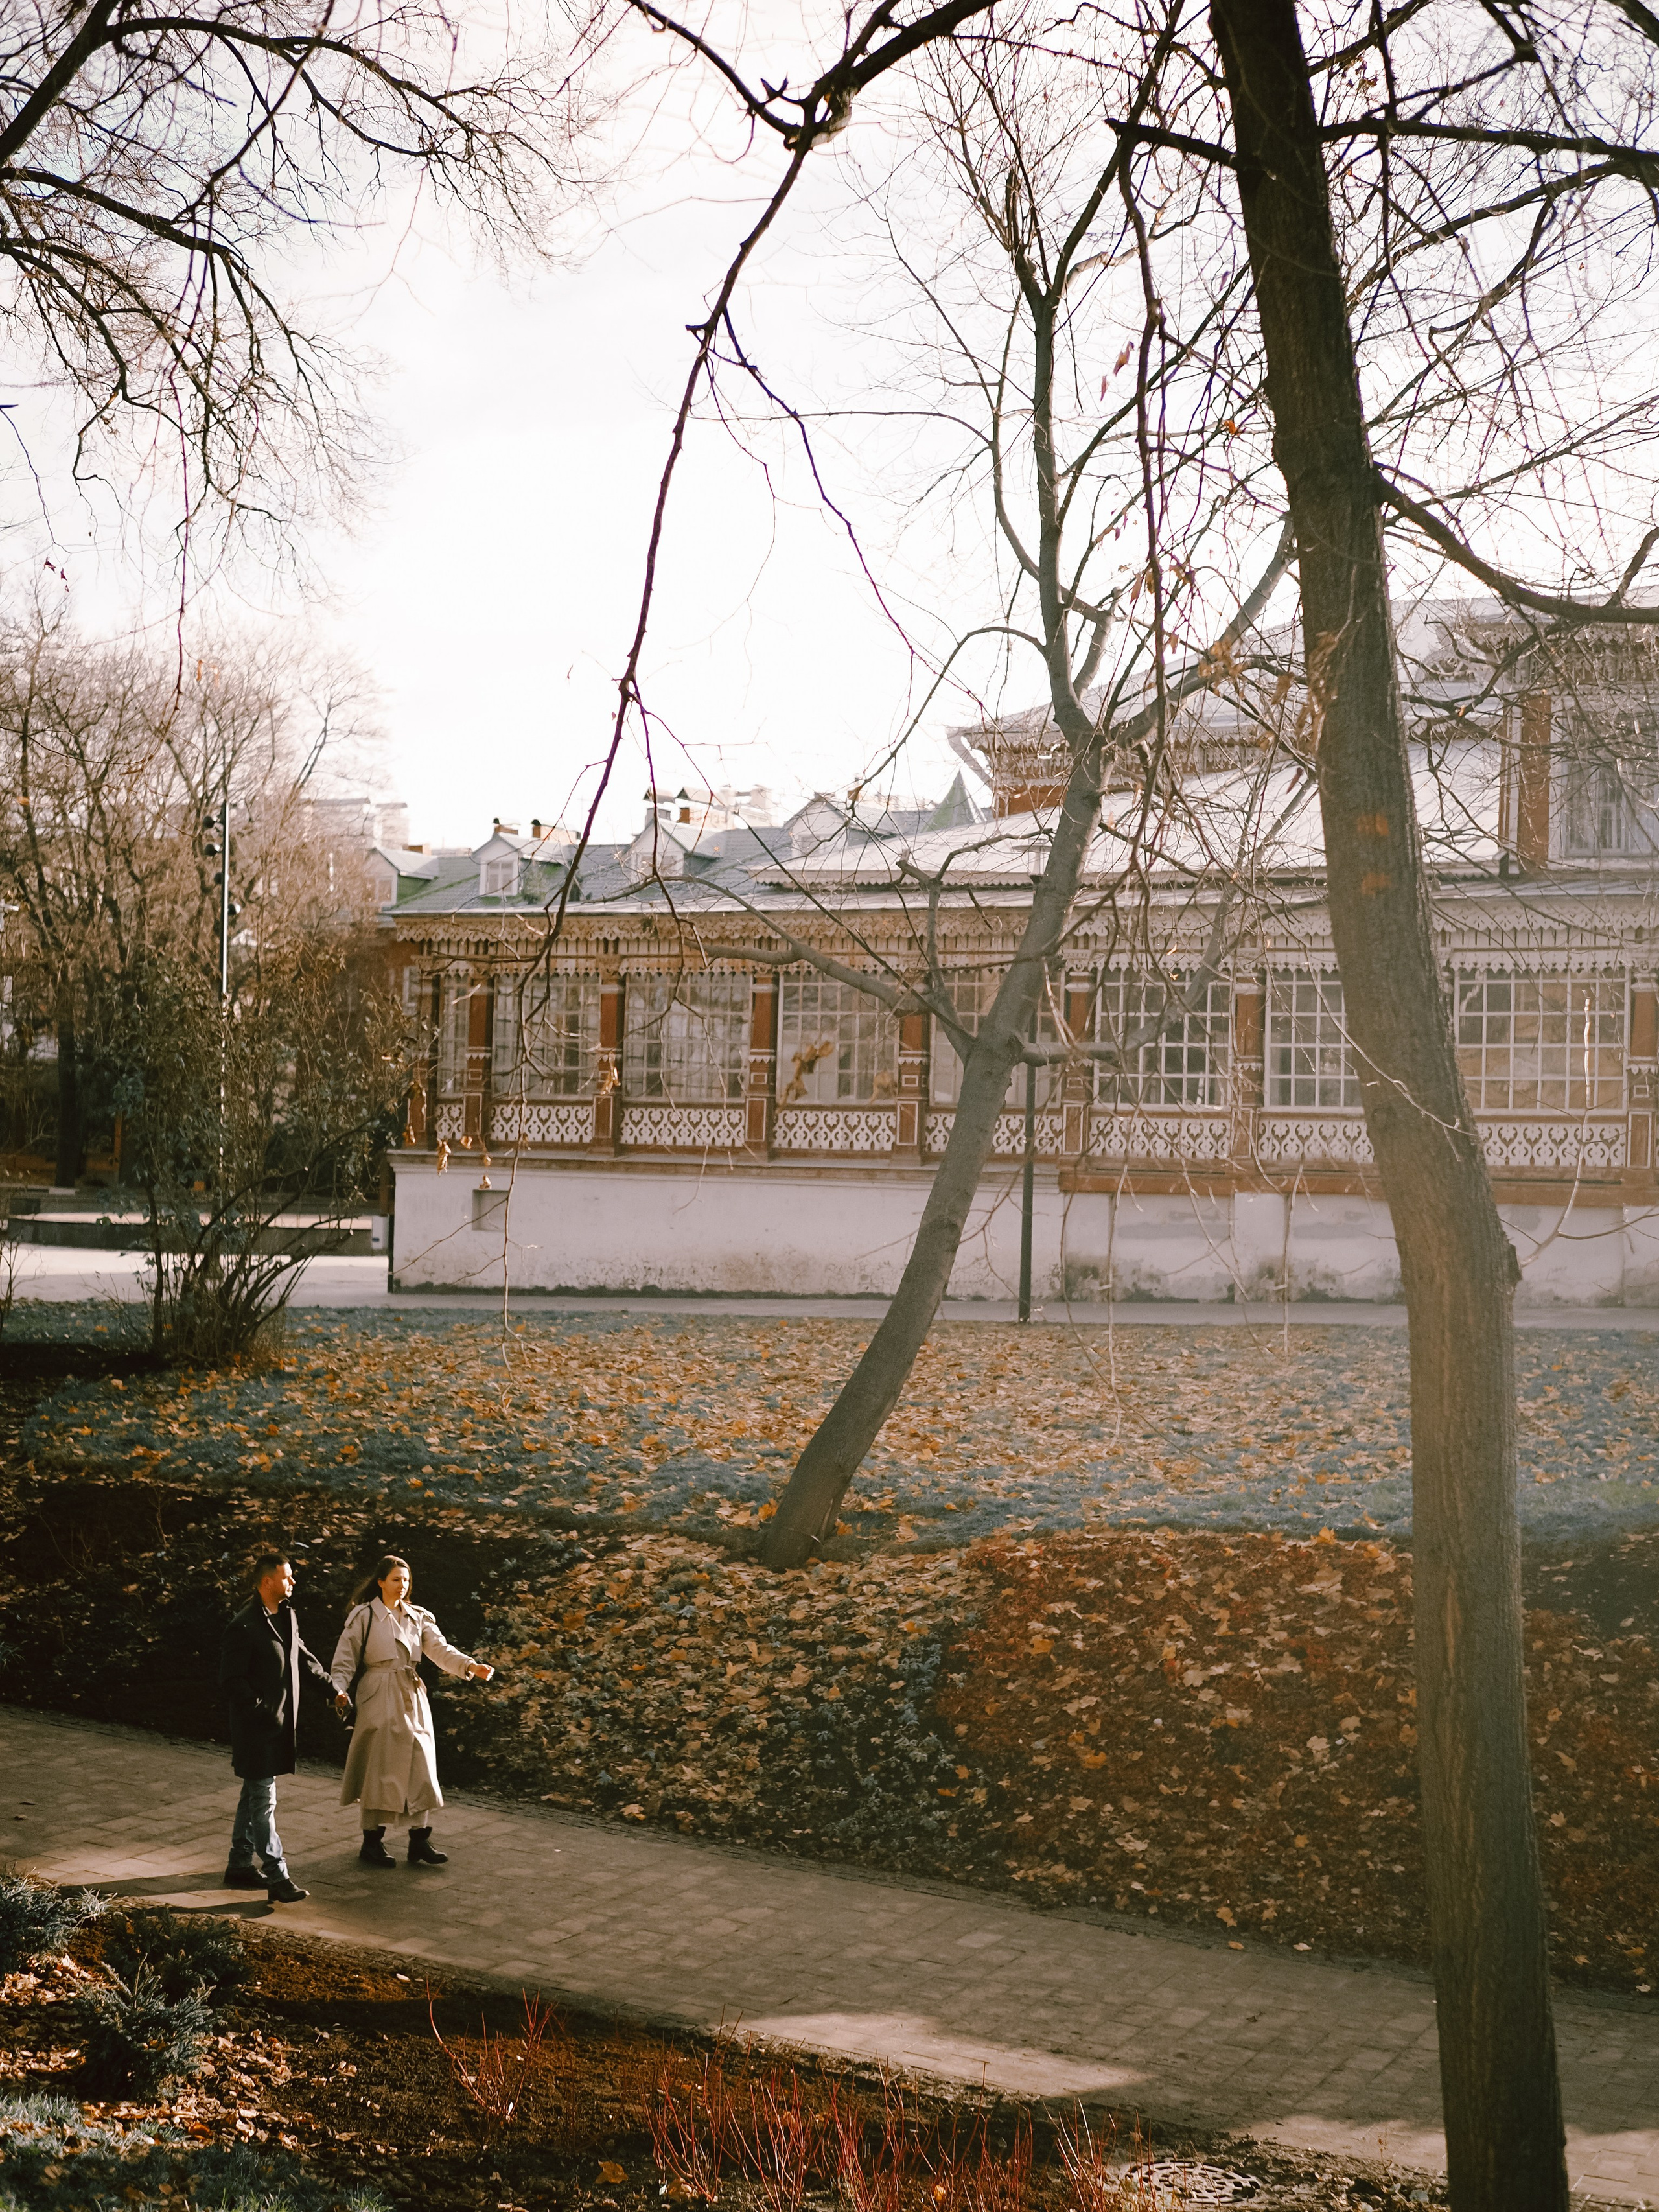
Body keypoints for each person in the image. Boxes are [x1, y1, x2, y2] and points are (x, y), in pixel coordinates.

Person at [329, 1554, 496, 1868]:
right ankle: (372, 1841)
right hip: (377, 1693)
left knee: (421, 1764)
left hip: (411, 1693)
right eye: (396, 1579)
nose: (402, 1585)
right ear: (381, 1582)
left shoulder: (418, 1617)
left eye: (406, 1580)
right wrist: (339, 1689)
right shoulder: (363, 1617)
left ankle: (420, 1840)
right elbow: (345, 1659)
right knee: (378, 1769)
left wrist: (469, 1665)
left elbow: (440, 1650)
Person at [219, 1551, 348, 1903]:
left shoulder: (286, 1615)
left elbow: (302, 1658)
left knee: (253, 1795)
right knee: (264, 1801)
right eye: (287, 1577)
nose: (293, 1582)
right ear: (266, 1583)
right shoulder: (243, 1626)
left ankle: (240, 1863)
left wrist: (332, 1689)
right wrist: (263, 1712)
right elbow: (231, 1681)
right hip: (256, 1730)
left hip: (276, 1728)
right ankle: (277, 1875)